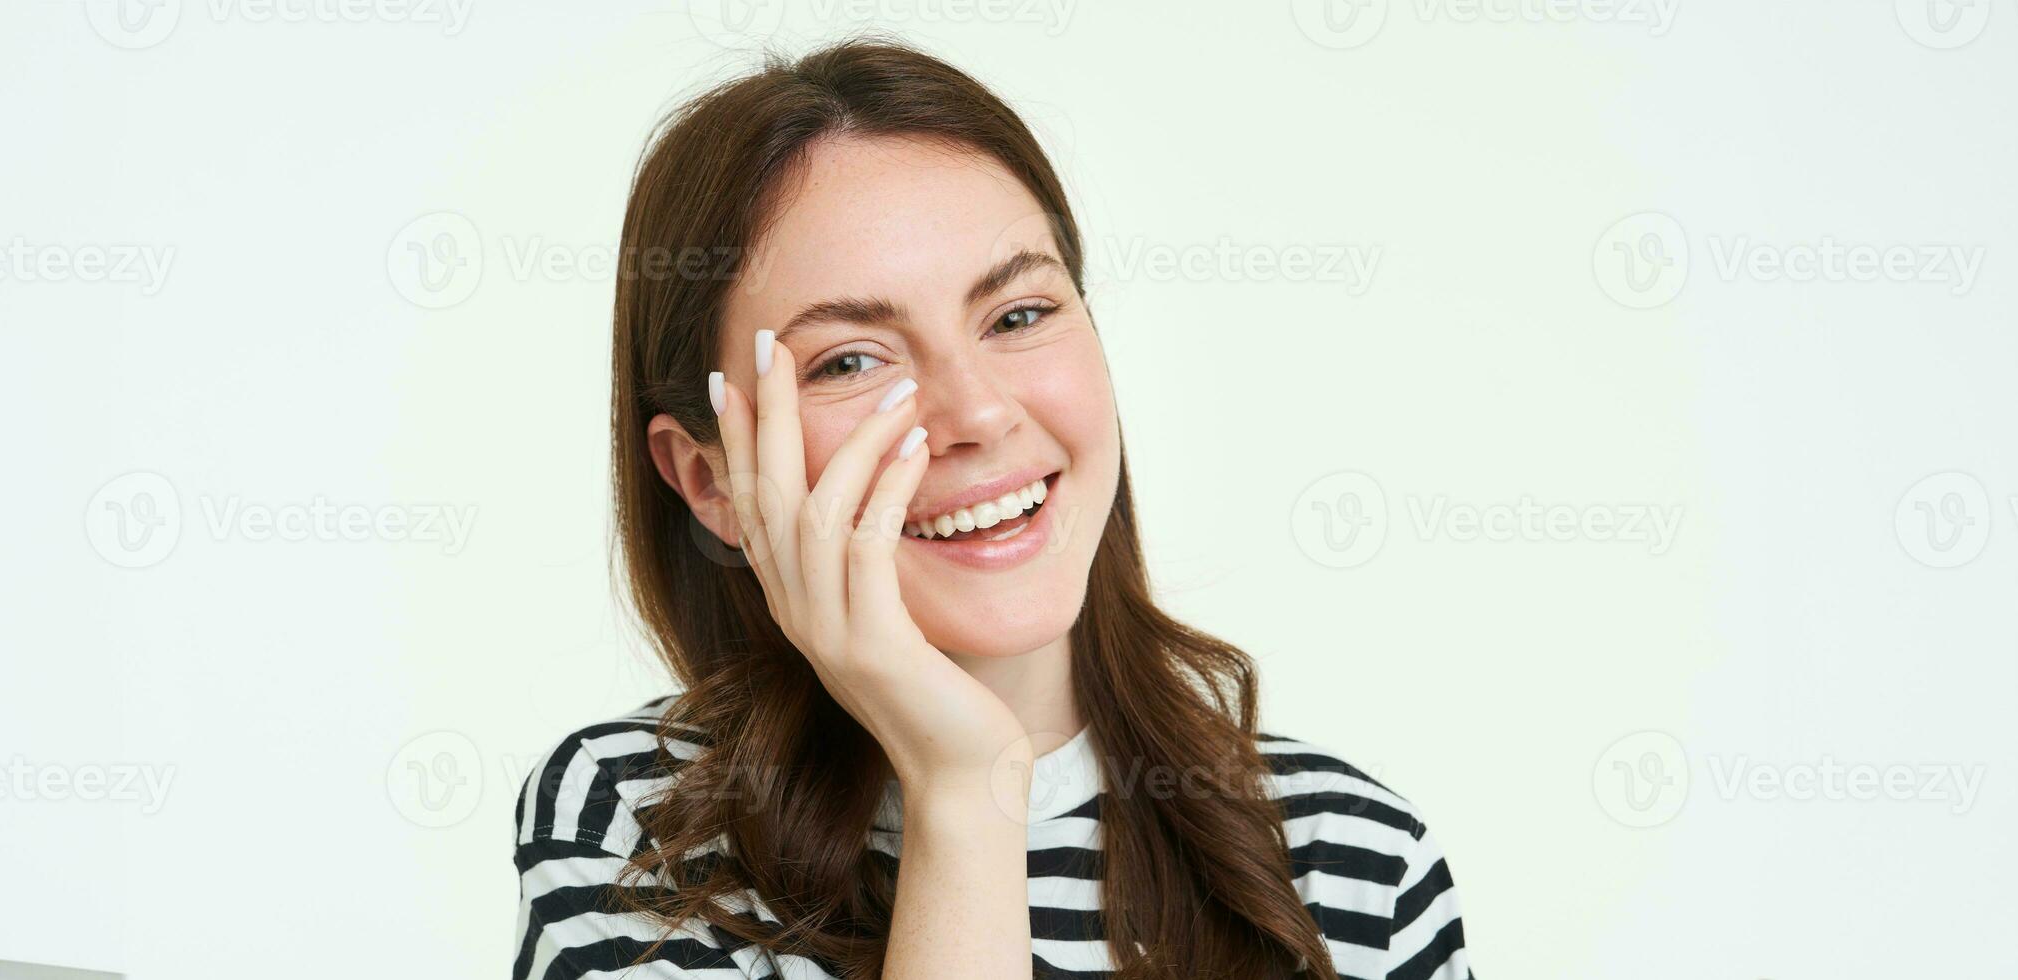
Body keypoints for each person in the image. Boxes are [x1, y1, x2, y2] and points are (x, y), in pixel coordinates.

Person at [513, 38, 1473, 980]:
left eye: (1018, 315)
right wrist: (964, 791)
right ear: (711, 481)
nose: (976, 412)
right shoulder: (633, 826)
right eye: (851, 360)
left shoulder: (1352, 865)